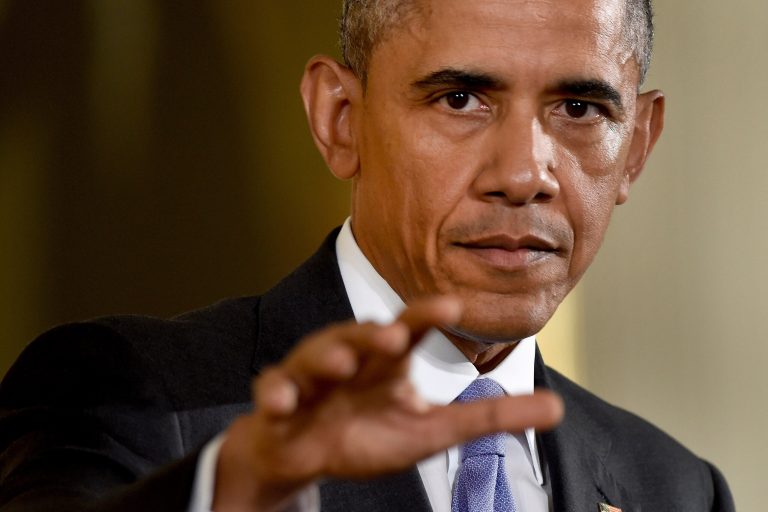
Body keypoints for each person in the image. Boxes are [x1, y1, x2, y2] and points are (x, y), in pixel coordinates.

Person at [0, 0, 735, 511]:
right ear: (339, 120)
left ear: (636, 147)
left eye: (578, 108)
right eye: (460, 99)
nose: (523, 174)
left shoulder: (676, 489)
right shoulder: (128, 397)